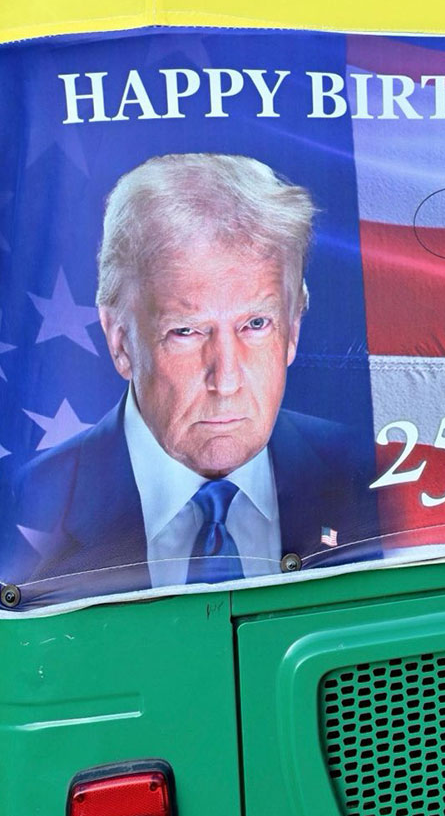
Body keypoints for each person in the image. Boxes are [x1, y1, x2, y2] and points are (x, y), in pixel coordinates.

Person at [0, 154, 375, 605]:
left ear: (293, 330)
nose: (227, 379)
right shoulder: (24, 506)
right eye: (186, 330)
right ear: (120, 342)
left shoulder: (372, 475)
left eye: (256, 324)